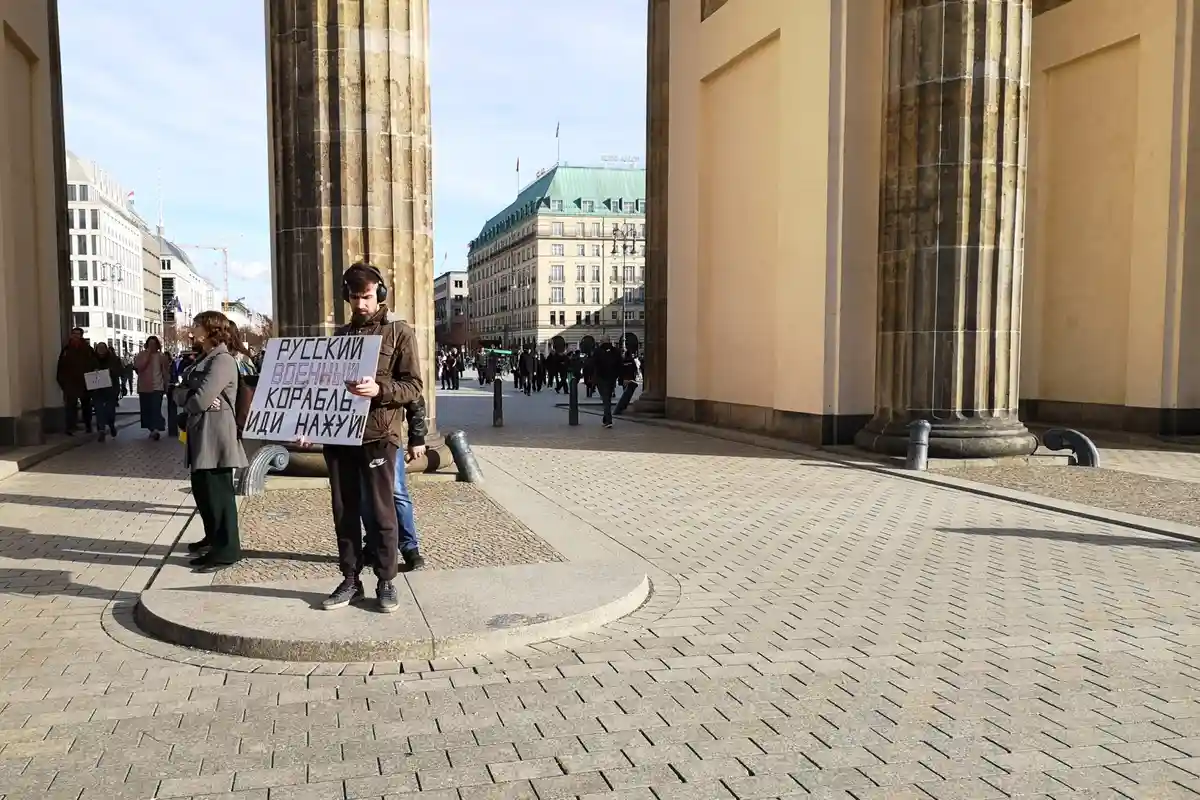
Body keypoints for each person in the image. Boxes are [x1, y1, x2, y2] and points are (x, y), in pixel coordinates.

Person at [319, 263, 423, 613]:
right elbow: (322, 388)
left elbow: (414, 387)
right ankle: (350, 578)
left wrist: (380, 389)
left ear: (379, 294)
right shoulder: (341, 336)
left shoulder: (399, 333)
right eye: (354, 297)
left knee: (381, 512)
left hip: (378, 435)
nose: (360, 304)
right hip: (339, 436)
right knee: (344, 510)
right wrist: (305, 424)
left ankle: (386, 580)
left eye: (366, 297)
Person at [176, 311, 249, 573]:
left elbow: (200, 400)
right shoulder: (206, 358)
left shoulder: (221, 360)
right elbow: (183, 392)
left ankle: (226, 551)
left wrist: (191, 396)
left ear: (209, 330)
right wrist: (189, 395)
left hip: (215, 437)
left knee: (219, 496)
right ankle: (214, 542)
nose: (192, 329)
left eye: (196, 325)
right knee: (204, 493)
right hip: (201, 433)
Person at [57, 327, 97, 435]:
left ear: (81, 336)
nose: (75, 336)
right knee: (70, 406)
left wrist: (92, 381)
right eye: (74, 334)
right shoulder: (66, 350)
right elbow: (61, 367)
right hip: (70, 383)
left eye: (77, 334)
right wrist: (62, 382)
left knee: (86, 405)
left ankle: (88, 425)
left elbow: (94, 365)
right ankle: (70, 427)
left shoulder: (88, 350)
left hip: (85, 382)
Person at [134, 336, 172, 440]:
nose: (152, 346)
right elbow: (139, 368)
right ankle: (152, 428)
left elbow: (165, 371)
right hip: (145, 387)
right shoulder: (141, 355)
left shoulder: (161, 356)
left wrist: (166, 384)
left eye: (154, 344)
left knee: (155, 408)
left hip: (157, 387)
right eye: (150, 344)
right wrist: (148, 356)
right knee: (146, 409)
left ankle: (156, 429)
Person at [90, 342, 123, 442]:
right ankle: (101, 430)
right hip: (97, 389)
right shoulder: (92, 359)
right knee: (99, 410)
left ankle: (111, 424)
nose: (101, 350)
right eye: (99, 348)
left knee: (109, 411)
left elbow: (120, 371)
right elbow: (87, 371)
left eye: (102, 348)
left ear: (106, 349)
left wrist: (110, 371)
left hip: (111, 390)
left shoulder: (114, 359)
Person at [592, 337, 622, 429]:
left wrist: (593, 377)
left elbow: (593, 364)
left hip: (601, 378)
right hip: (612, 378)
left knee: (606, 399)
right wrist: (617, 376)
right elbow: (620, 364)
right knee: (607, 398)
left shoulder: (598, 351)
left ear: (602, 342)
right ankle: (606, 418)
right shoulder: (616, 351)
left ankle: (608, 420)